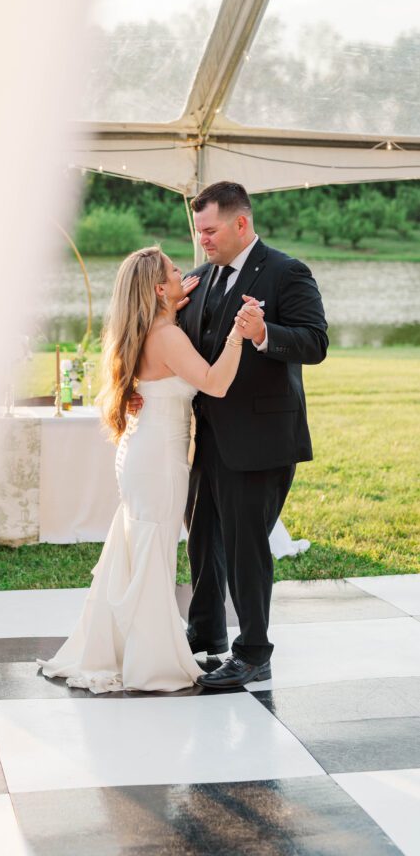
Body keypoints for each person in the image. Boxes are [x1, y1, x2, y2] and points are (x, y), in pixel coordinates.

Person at [37, 246, 263, 693]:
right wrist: (238, 333)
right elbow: (215, 384)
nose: (186, 275)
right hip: (159, 458)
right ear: (160, 289)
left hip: (142, 452)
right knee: (153, 553)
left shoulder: (144, 329)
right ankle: (149, 659)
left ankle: (126, 646)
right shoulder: (168, 337)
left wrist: (172, 307)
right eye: (176, 272)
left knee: (140, 547)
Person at [148, 180, 328, 690]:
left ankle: (254, 652)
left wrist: (264, 335)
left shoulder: (287, 272)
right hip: (205, 439)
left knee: (248, 547)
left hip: (261, 439)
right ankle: (206, 634)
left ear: (240, 223)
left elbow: (315, 342)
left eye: (209, 229)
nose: (201, 239)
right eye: (197, 230)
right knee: (203, 540)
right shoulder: (200, 277)